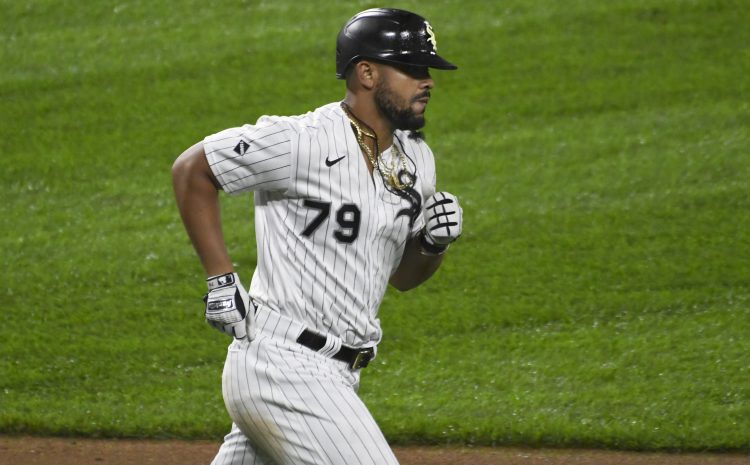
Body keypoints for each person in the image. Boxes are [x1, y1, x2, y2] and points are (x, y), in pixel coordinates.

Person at [172, 7, 463, 465]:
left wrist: (432, 244)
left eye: (426, 69)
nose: (426, 80)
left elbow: (403, 278)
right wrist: (221, 279)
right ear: (366, 73)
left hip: (338, 372)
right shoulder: (300, 142)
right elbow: (193, 169)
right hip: (281, 364)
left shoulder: (417, 163)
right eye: (410, 68)